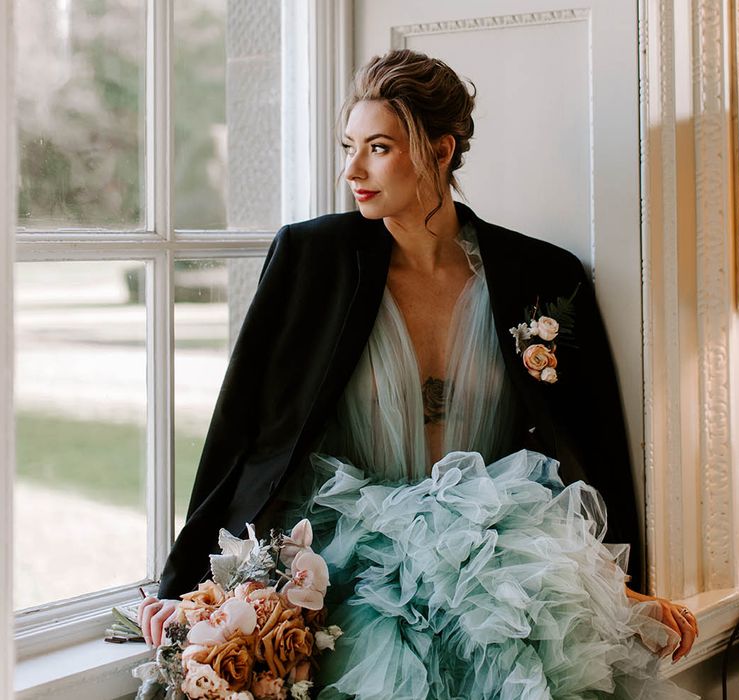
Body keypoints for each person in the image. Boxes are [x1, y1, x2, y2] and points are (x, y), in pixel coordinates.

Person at [140, 49, 698, 697]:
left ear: (440, 149)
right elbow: (241, 429)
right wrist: (185, 588)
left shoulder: (541, 277)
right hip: (355, 561)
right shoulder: (310, 259)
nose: (353, 169)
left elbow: (591, 438)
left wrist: (623, 586)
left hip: (503, 566)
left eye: (378, 147)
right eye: (349, 146)